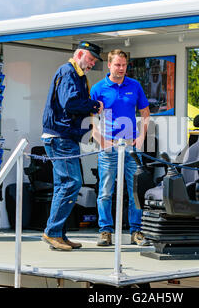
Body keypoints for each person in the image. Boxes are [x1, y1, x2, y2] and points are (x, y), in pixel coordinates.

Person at [41, 41, 104, 251]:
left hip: (62, 136)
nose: (92, 64)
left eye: (94, 61)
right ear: (79, 54)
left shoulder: (73, 73)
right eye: (91, 59)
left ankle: (58, 234)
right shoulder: (68, 72)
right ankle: (52, 232)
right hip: (61, 136)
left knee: (63, 185)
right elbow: (69, 103)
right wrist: (94, 105)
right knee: (72, 183)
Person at [91, 49, 151, 246]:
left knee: (135, 191)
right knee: (105, 192)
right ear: (109, 65)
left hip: (131, 148)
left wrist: (142, 136)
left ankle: (136, 232)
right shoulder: (98, 88)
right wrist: (100, 140)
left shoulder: (134, 86)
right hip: (108, 148)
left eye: (124, 65)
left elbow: (145, 111)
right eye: (117, 65)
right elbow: (91, 119)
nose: (121, 68)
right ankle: (105, 232)